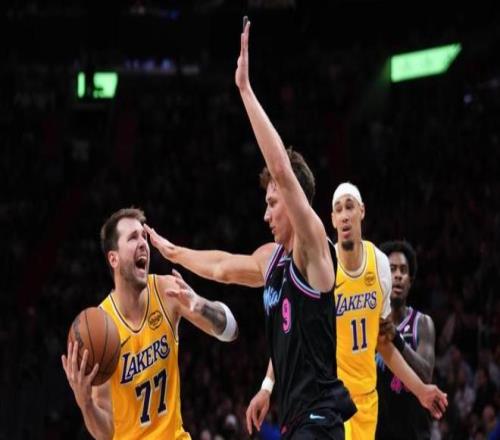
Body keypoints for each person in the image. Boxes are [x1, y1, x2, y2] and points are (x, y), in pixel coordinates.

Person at [145, 20, 447, 439]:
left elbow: (283, 170)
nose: (266, 215)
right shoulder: (271, 260)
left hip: (324, 416)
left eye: (272, 203)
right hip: (297, 418)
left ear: (293, 202)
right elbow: (222, 268)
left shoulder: (313, 248)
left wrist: (245, 91)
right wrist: (174, 252)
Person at [61, 208, 239, 440]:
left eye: (144, 236)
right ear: (113, 258)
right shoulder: (100, 327)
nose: (143, 243)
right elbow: (105, 433)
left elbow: (231, 330)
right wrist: (86, 403)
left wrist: (201, 305)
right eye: (132, 238)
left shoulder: (166, 291)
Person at [330, 183, 446, 440]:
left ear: (362, 211)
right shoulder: (327, 263)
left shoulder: (380, 265)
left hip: (388, 416)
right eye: (339, 209)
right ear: (333, 219)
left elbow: (387, 345)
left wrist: (421, 390)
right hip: (344, 404)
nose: (345, 215)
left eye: (350, 207)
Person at [375, 240, 436, 440]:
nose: (398, 275)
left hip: (415, 434)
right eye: (392, 269)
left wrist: (397, 338)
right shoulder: (369, 325)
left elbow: (426, 375)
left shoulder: (422, 323)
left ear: (410, 281)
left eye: (403, 270)